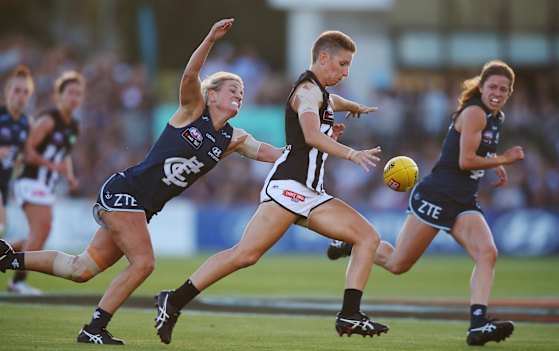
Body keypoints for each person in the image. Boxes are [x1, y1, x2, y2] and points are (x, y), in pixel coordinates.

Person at [0, 18, 282, 345]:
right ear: (213, 95)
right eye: (233, 89)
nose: (240, 95)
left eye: (243, 92)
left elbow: (274, 154)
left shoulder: (234, 138)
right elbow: (191, 75)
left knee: (81, 269)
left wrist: (312, 145)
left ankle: (8, 258)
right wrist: (209, 39)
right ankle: (94, 329)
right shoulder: (193, 109)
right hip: (125, 193)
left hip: (139, 205)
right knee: (144, 263)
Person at [153, 29, 389, 345]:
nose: (346, 72)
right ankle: (349, 313)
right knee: (363, 237)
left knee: (247, 255)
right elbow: (310, 135)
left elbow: (334, 103)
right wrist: (351, 153)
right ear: (323, 58)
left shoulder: (321, 94)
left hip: (304, 191)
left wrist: (354, 107)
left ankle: (174, 299)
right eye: (342, 64)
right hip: (291, 187)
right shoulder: (308, 91)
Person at [326, 60, 524, 346]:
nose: (497, 92)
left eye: (503, 89)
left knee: (488, 253)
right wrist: (503, 159)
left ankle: (478, 325)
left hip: (463, 199)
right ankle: (350, 244)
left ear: (509, 93)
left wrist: (495, 165)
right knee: (397, 264)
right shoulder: (474, 113)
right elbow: (465, 160)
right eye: (492, 86)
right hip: (438, 195)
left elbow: (478, 151)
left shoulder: (497, 117)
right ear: (481, 87)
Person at [6, 70, 85, 295]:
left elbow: (63, 155)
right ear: (59, 95)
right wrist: (52, 167)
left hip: (45, 186)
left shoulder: (75, 126)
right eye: (70, 93)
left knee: (36, 236)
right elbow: (27, 150)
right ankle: (17, 282)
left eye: (79, 94)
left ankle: (4, 254)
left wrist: (69, 175)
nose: (75, 98)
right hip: (30, 180)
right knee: (42, 230)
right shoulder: (49, 120)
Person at [0, 66, 34, 238]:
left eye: (26, 92)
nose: (21, 96)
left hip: (4, 184)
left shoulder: (26, 123)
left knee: (2, 229)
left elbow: (27, 155)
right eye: (17, 91)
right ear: (7, 92)